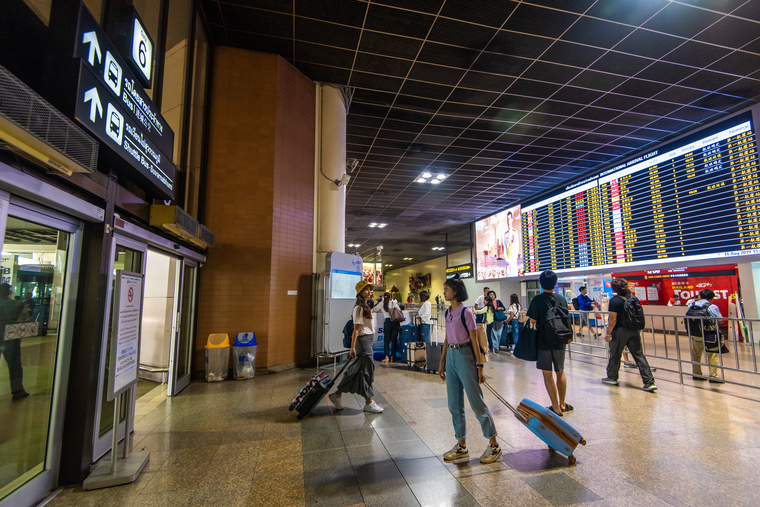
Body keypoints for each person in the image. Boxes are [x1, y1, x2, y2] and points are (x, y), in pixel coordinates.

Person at [439, 275, 501, 464]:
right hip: (451, 356)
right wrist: (441, 363)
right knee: (454, 404)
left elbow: (474, 340)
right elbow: (447, 338)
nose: (444, 292)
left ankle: (494, 445)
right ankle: (461, 446)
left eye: (446, 289)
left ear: (455, 291)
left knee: (476, 402)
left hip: (465, 356)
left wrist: (480, 367)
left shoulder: (466, 313)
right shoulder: (448, 312)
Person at [329, 280, 384, 413]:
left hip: (368, 340)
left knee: (356, 370)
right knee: (366, 371)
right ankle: (368, 402)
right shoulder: (358, 308)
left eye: (369, 289)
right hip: (363, 342)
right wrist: (352, 348)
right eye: (366, 290)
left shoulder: (366, 305)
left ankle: (337, 395)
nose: (369, 291)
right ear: (360, 292)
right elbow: (356, 330)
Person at [527, 270, 572, 416]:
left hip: (544, 340)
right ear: (555, 283)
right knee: (560, 371)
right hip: (560, 339)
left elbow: (533, 320)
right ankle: (563, 403)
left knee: (547, 374)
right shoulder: (562, 299)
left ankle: (555, 407)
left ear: (541, 283)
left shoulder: (537, 300)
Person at [601, 278, 657, 392]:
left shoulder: (615, 301)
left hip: (620, 331)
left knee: (615, 354)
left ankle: (612, 377)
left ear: (614, 288)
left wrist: (608, 333)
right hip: (634, 330)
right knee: (639, 356)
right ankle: (649, 382)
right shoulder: (634, 298)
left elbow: (613, 319)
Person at [687, 289, 725, 384]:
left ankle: (697, 374)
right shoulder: (712, 307)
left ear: (700, 296)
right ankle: (713, 376)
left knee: (696, 354)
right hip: (710, 334)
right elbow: (720, 320)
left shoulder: (692, 305)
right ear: (711, 298)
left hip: (695, 333)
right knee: (712, 355)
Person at [0, 283, 28, 400]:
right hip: (10, 338)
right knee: (14, 365)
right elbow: (25, 320)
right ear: (10, 292)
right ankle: (17, 391)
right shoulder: (18, 304)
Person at [373, 292, 402, 363]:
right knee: (394, 340)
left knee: (386, 340)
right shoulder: (393, 303)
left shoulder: (381, 304)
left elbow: (374, 310)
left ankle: (386, 357)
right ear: (390, 297)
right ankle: (392, 357)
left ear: (383, 297)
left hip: (388, 322)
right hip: (395, 322)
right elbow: (399, 310)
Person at [473, 295, 494, 362]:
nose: (483, 301)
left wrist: (474, 311)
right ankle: (491, 347)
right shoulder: (491, 307)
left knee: (487, 336)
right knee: (490, 335)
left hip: (488, 323)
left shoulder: (487, 307)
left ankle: (490, 348)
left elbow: (481, 311)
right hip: (491, 322)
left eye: (484, 300)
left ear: (487, 301)